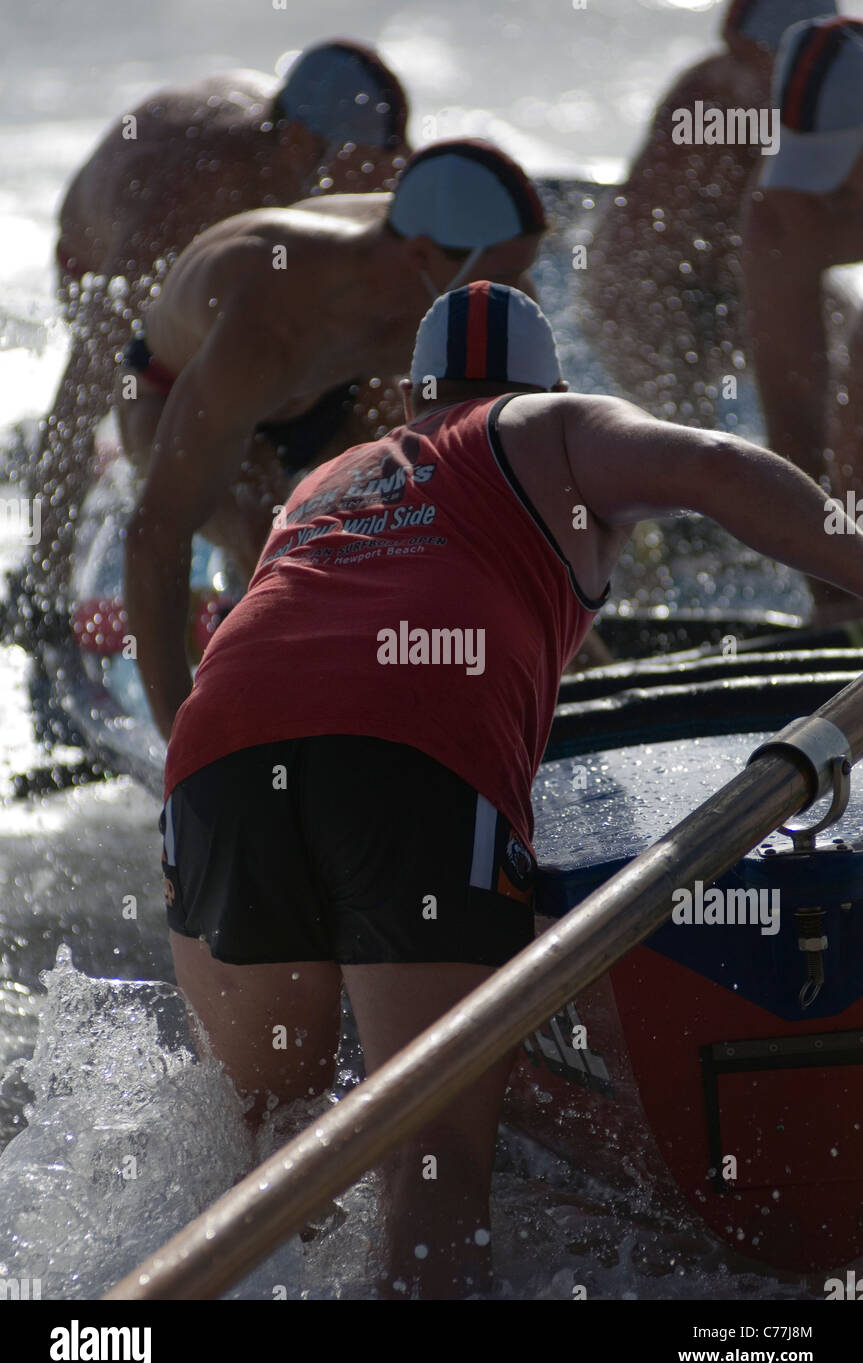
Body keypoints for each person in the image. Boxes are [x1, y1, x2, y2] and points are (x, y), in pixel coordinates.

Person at [158, 281, 863, 1300]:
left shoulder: (331, 481)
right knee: (431, 1152)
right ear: (549, 383)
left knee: (273, 1146)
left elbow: (296, 629)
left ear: (416, 398)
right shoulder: (553, 426)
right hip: (403, 753)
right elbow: (713, 466)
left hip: (217, 759)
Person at [119, 140, 547, 740]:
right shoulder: (270, 317)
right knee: (267, 536)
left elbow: (527, 475)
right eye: (504, 276)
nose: (520, 292)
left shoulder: (440, 266)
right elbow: (153, 535)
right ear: (423, 256)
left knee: (443, 507)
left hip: (337, 391)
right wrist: (179, 748)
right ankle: (235, 661)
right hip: (169, 391)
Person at [14, 40, 410, 624]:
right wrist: (39, 590)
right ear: (301, 146)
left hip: (244, 262)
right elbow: (86, 388)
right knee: (224, 473)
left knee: (383, 415)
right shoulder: (188, 200)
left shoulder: (361, 160)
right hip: (97, 262)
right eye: (369, 176)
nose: (381, 196)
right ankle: (51, 572)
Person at [579, 0, 835, 424]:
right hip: (642, 287)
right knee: (683, 434)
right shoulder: (713, 100)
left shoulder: (794, 106)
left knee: (844, 339)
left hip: (727, 288)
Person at [742, 14, 863, 623]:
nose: (825, 199)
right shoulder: (782, 208)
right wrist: (838, 601)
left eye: (843, 178)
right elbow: (791, 415)